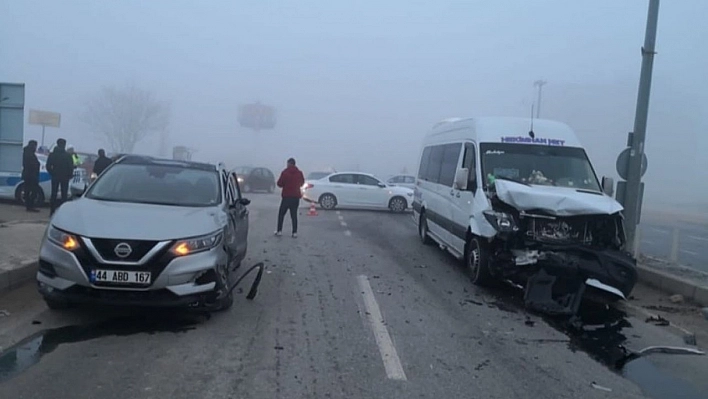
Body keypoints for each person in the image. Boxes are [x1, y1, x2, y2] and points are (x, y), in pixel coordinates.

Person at [275, 158, 305, 238]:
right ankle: (294, 232)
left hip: (286, 197)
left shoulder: (285, 172)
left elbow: (279, 184)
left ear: (289, 164)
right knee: (294, 215)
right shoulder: (299, 173)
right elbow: (302, 183)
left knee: (281, 214)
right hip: (295, 198)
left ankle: (279, 231)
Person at [46, 138, 75, 215]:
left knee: (54, 194)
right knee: (64, 195)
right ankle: (63, 212)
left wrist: (52, 173)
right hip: (65, 177)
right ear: (64, 145)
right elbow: (70, 167)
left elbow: (48, 166)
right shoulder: (67, 155)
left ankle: (52, 211)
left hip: (55, 176)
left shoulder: (52, 155)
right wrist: (69, 175)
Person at [21, 140, 41, 212]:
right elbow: (32, 165)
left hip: (28, 175)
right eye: (35, 146)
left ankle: (29, 206)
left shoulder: (27, 152)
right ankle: (30, 206)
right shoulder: (29, 154)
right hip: (31, 175)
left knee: (28, 191)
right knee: (33, 191)